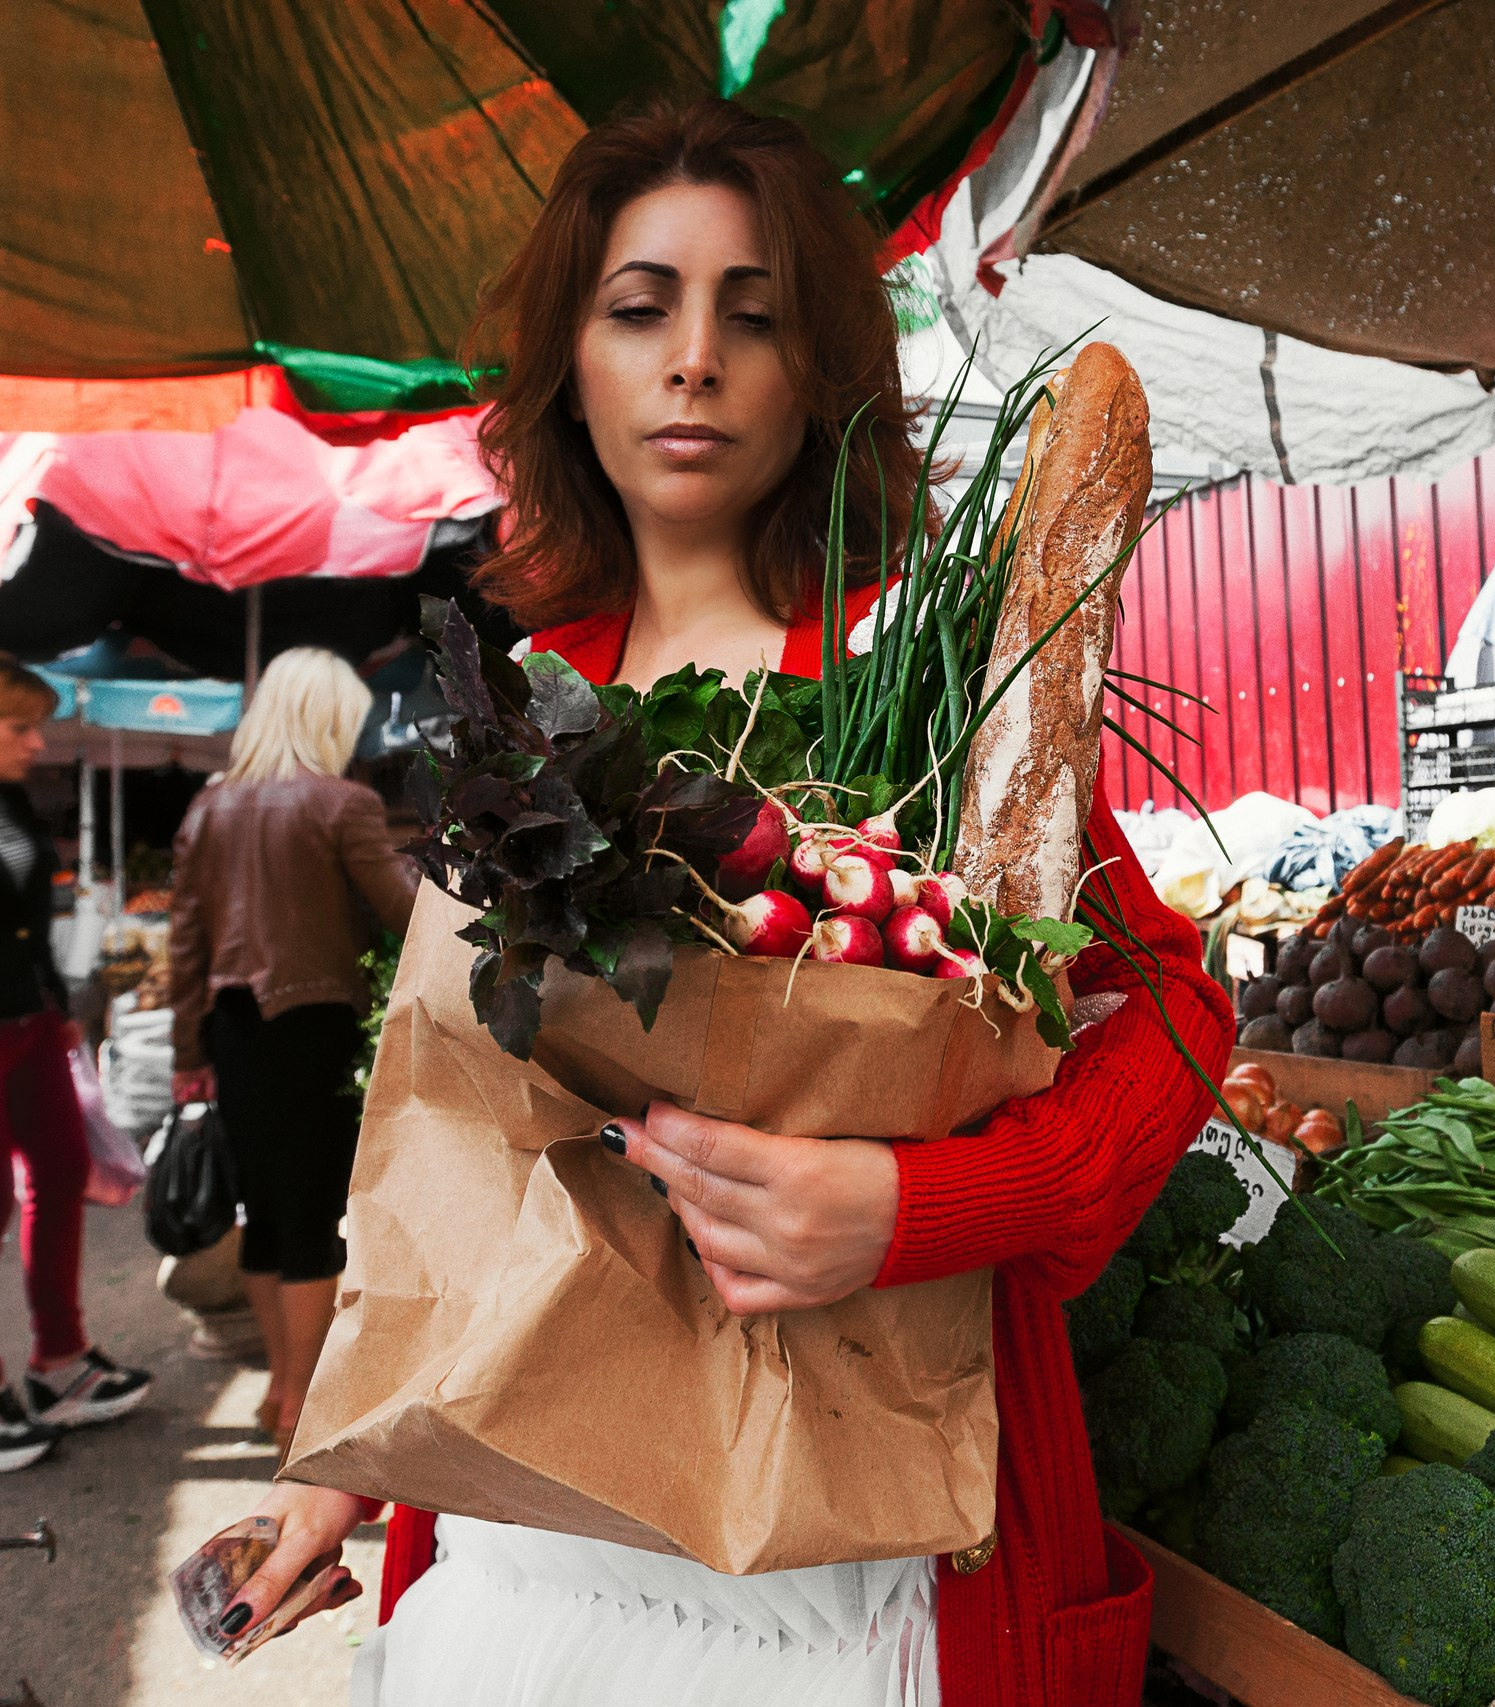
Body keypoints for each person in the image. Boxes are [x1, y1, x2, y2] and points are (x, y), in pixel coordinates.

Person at [200, 99, 1228, 1707]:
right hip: (525, 1581)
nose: (694, 359)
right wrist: (345, 1463)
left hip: (863, 1585)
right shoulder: (528, 704)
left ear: (817, 372)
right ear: (573, 368)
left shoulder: (930, 686)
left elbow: (1172, 1010)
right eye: (639, 308)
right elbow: (473, 1155)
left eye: (751, 316)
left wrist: (919, 1208)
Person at [167, 647, 418, 1445]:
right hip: (315, 1025)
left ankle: (282, 1381)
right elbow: (403, 914)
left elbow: (184, 943)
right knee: (314, 1215)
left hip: (233, 1031)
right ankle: (299, 1400)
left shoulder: (208, 807)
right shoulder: (344, 803)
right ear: (328, 720)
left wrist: (184, 1054)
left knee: (268, 1216)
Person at [0, 657, 153, 1470]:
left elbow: (29, 924)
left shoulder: (15, 800)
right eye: (20, 725)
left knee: (60, 1173)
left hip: (30, 1023)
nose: (38, 739)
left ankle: (58, 1361)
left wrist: (57, 1006)